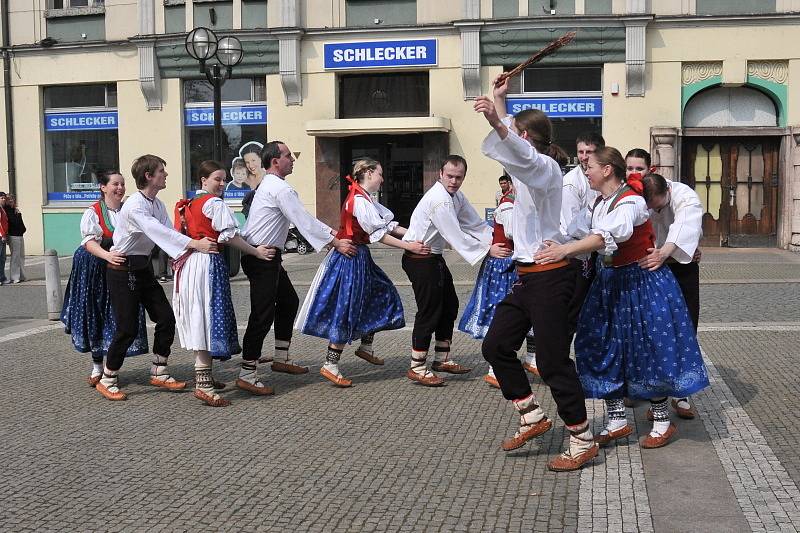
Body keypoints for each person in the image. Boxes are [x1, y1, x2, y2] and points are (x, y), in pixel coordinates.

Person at [534, 146, 710, 450]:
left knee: (647, 348)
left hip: (642, 282)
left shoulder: (631, 203)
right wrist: (556, 242)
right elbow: (577, 231)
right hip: (611, 281)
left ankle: (661, 421)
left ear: (606, 170)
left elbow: (612, 234)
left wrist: (564, 251)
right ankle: (616, 419)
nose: (584, 170)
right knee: (603, 345)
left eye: (589, 166)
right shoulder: (597, 203)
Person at [475, 74, 598, 472]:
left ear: (526, 136)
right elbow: (513, 144)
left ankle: (582, 437)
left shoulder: (544, 167)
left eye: (514, 132)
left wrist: (496, 121)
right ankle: (531, 414)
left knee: (552, 360)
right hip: (528, 276)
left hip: (552, 275)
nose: (508, 138)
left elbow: (519, 153)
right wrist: (500, 98)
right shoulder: (530, 160)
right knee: (496, 345)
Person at [295, 159, 429, 387]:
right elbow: (379, 234)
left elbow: (388, 226)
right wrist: (410, 246)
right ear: (368, 173)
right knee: (347, 307)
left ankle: (366, 346)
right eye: (380, 173)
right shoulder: (359, 200)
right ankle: (330, 364)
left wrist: (415, 235)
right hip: (350, 259)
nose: (383, 178)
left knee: (382, 293)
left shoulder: (365, 198)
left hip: (360, 257)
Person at [238, 140, 356, 396]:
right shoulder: (280, 189)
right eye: (288, 156)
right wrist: (335, 242)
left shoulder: (270, 186)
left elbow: (302, 221)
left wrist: (332, 235)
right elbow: (302, 220)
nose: (292, 160)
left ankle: (281, 357)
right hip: (262, 256)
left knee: (289, 302)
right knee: (261, 314)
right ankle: (247, 372)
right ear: (275, 161)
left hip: (268, 256)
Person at [97, 154, 218, 401]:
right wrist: (195, 243)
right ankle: (108, 376)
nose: (165, 175)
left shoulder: (157, 203)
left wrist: (186, 254)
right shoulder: (135, 206)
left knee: (165, 316)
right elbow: (157, 231)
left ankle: (159, 368)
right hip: (123, 270)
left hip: (142, 268)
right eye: (161, 171)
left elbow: (169, 233)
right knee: (127, 327)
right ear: (148, 176)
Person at [172, 160, 275, 407]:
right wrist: (256, 252)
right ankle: (204, 385)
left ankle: (204, 378)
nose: (221, 184)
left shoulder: (191, 203)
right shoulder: (214, 203)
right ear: (203, 181)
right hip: (207, 265)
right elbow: (230, 236)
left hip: (191, 266)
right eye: (216, 179)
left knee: (201, 317)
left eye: (222, 179)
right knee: (207, 318)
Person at [402, 155, 499, 387]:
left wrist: (496, 239)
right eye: (450, 176)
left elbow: (474, 224)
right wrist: (489, 250)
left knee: (450, 304)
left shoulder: (455, 196)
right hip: (420, 259)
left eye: (459, 177)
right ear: (440, 175)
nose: (454, 181)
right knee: (429, 311)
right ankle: (417, 366)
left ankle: (442, 358)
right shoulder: (440, 200)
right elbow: (454, 234)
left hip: (433, 258)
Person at [61, 171, 149, 385]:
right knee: (95, 311)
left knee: (117, 313)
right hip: (94, 265)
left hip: (119, 266)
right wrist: (107, 255)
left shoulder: (129, 209)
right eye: (115, 184)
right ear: (103, 187)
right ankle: (97, 366)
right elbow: (89, 242)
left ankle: (111, 364)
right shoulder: (93, 212)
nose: (120, 188)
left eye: (122, 184)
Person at [458, 181, 537, 388]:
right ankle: (496, 369)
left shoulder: (520, 204)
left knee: (528, 310)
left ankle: (531, 358)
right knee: (500, 313)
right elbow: (513, 232)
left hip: (515, 264)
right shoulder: (508, 205)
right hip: (503, 267)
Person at [640, 170, 704, 420]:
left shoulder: (685, 196)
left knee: (687, 325)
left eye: (659, 206)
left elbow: (684, 227)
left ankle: (683, 392)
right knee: (657, 328)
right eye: (651, 208)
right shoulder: (641, 198)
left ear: (667, 191)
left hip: (680, 264)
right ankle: (658, 397)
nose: (656, 212)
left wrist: (663, 253)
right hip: (653, 263)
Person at [3, 195, 26, 283]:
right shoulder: (6, 210)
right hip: (13, 235)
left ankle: (22, 275)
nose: (11, 201)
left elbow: (20, 222)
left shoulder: (15, 210)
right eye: (9, 199)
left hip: (20, 234)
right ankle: (14, 276)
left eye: (12, 199)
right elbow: (13, 222)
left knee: (21, 256)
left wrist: (23, 230)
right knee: (15, 256)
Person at [0, 192, 7, 285]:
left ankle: (2, 277)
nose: (3, 199)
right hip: (1, 236)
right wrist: (2, 235)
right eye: (1, 198)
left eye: (4, 198)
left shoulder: (3, 209)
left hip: (3, 236)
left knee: (2, 258)